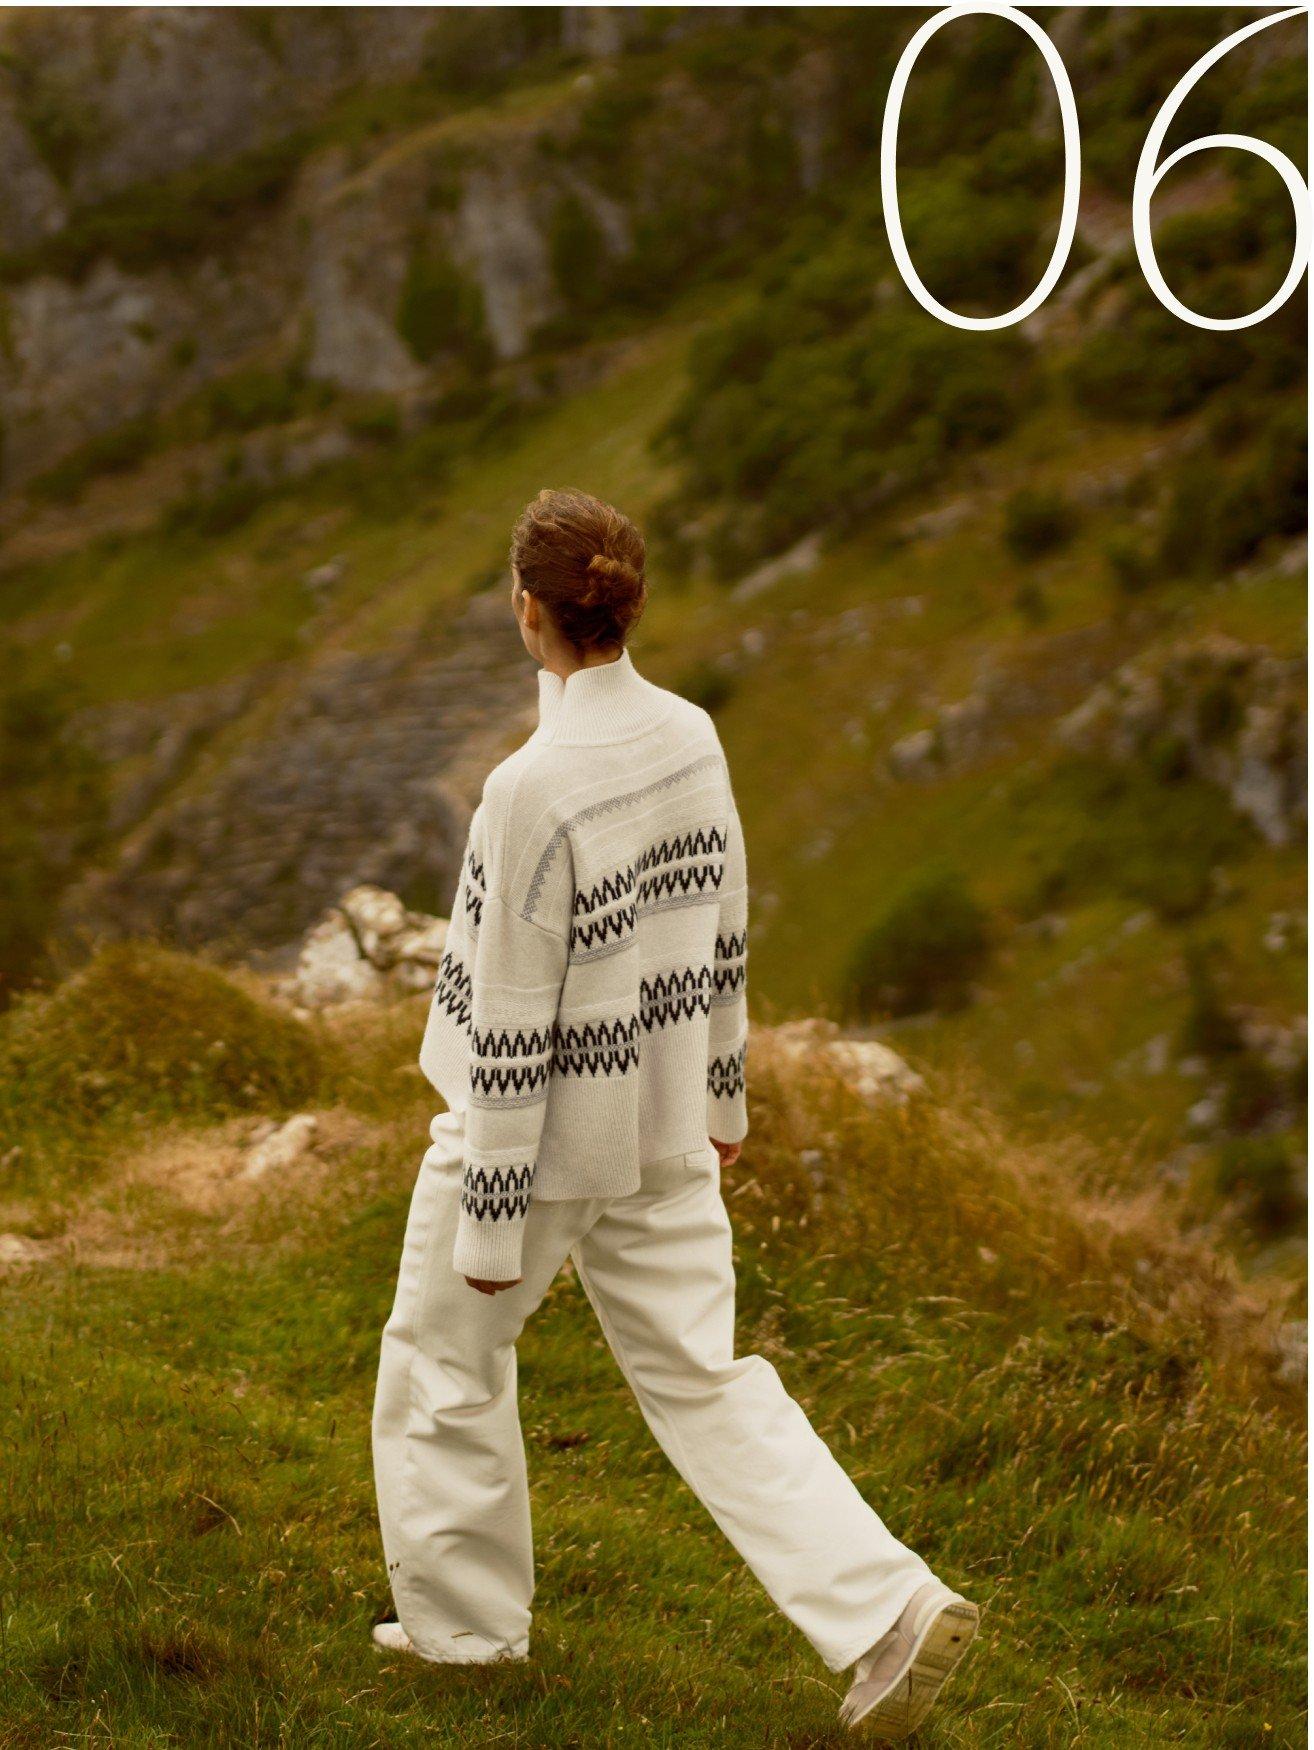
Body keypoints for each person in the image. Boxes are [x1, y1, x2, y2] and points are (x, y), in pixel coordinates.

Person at [371, 488, 978, 1737]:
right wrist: (720, 1090)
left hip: (537, 1150)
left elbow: (509, 1026)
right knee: (706, 1377)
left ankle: (466, 1634)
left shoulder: (526, 792)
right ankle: (888, 1609)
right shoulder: (689, 737)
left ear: (527, 608)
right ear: (626, 604)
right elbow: (721, 925)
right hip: (658, 1127)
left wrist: (490, 1232)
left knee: (446, 1360)